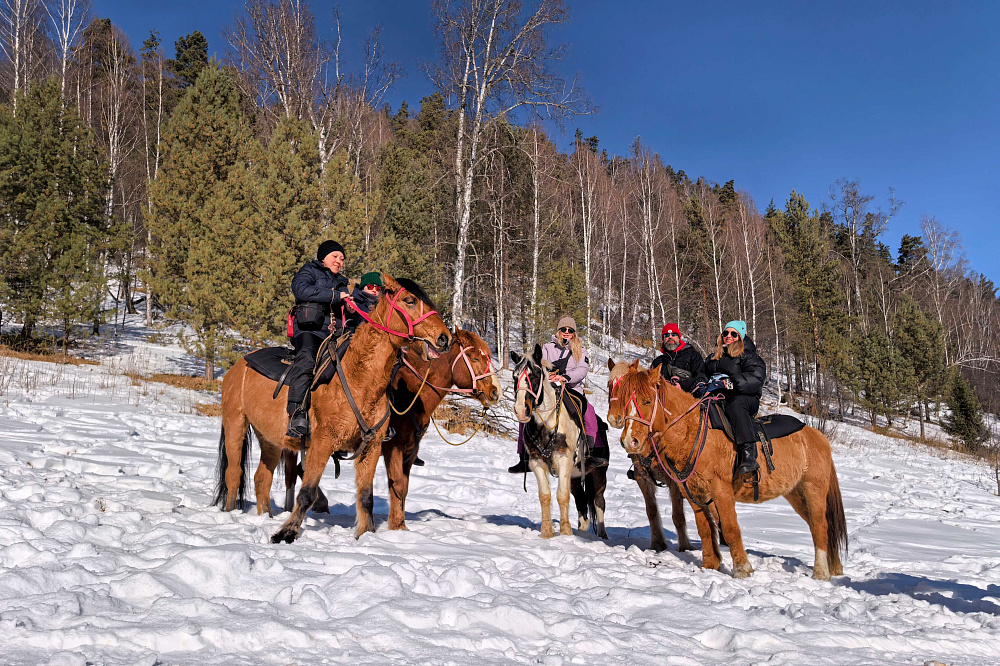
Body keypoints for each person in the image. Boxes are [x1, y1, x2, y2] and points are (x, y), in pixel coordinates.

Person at [508, 316, 609, 474]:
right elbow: (540, 367)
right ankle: (524, 457)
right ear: (559, 331)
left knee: (588, 412)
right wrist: (550, 376)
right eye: (564, 329)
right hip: (550, 389)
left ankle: (592, 452)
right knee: (527, 412)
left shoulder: (581, 350)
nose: (567, 332)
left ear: (574, 333)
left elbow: (582, 369)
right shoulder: (547, 348)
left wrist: (565, 377)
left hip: (572, 388)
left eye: (570, 330)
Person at [285, 240, 351, 438]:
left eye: (342, 258)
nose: (339, 261)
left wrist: (348, 306)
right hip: (310, 329)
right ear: (323, 257)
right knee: (306, 357)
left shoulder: (343, 282)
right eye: (335, 256)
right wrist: (336, 295)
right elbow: (300, 290)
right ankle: (297, 412)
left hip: (336, 334)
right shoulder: (310, 270)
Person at [702, 320, 767, 476]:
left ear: (741, 336)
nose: (728, 336)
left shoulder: (749, 356)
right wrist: (700, 384)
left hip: (745, 398)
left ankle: (749, 454)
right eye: (725, 333)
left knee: (735, 405)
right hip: (717, 397)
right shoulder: (713, 357)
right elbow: (701, 374)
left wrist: (728, 383)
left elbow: (756, 378)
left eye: (733, 333)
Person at [650, 323, 706, 392]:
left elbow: (701, 378)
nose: (670, 337)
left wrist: (682, 385)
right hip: (662, 399)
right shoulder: (657, 362)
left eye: (673, 334)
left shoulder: (693, 356)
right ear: (663, 339)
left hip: (689, 398)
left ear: (678, 337)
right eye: (666, 335)